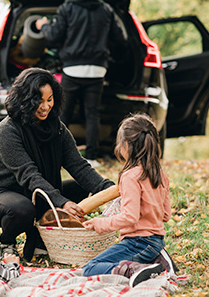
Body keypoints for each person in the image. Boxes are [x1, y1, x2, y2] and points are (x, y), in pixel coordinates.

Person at [0, 67, 115, 262]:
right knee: (23, 209)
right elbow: (29, 175)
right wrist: (62, 202)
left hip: (37, 194)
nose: (45, 106)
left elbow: (79, 166)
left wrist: (109, 190)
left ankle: (39, 237)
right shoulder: (7, 130)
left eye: (49, 99)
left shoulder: (57, 128)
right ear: (24, 100)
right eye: (38, 101)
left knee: (80, 188)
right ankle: (7, 243)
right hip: (1, 196)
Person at [35, 0, 127, 167]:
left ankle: (56, 155)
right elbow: (121, 39)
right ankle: (91, 157)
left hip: (73, 68)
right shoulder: (106, 9)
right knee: (92, 114)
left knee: (63, 113)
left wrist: (43, 25)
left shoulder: (68, 8)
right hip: (98, 70)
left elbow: (53, 37)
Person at [82, 113, 171, 287]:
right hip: (156, 241)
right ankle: (157, 259)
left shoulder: (130, 177)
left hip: (138, 242)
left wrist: (100, 223)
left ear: (126, 146)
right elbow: (166, 215)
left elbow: (130, 217)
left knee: (90, 268)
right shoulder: (161, 175)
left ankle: (134, 270)